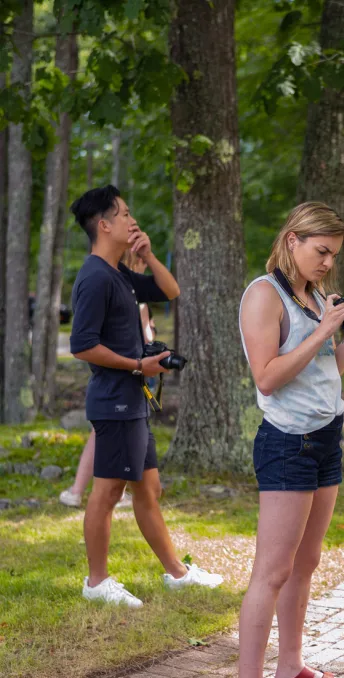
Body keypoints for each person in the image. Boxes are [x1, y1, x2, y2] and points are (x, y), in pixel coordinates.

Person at [232, 202, 344, 678]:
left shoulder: (315, 296)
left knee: (306, 562)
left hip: (326, 439)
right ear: (292, 239)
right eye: (322, 251)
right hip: (287, 443)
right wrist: (323, 328)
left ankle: (290, 667)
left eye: (334, 255)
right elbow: (268, 377)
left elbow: (326, 369)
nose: (328, 264)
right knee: (271, 571)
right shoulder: (262, 295)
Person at [69, 184, 223, 607]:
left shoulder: (119, 274)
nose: (131, 220)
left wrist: (150, 255)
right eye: (123, 215)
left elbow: (171, 291)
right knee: (107, 493)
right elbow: (81, 345)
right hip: (115, 400)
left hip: (132, 401)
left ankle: (177, 573)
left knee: (148, 488)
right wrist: (139, 365)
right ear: (103, 225)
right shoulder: (95, 277)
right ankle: (97, 582)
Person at [59, 252, 155, 510]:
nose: (146, 263)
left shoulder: (117, 287)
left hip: (121, 380)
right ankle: (90, 490)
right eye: (142, 258)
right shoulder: (127, 291)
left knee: (105, 435)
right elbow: (145, 338)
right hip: (129, 380)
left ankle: (84, 490)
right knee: (107, 434)